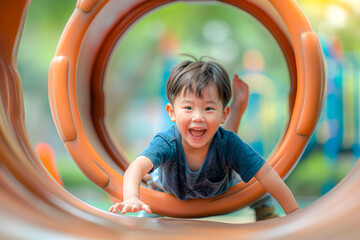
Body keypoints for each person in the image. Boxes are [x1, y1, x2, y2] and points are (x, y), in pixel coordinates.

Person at [109, 55, 300, 220]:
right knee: (149, 210)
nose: (198, 117)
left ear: (223, 114)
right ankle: (146, 214)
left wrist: (294, 212)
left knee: (257, 188)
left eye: (208, 108)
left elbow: (265, 173)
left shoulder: (228, 144)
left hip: (222, 189)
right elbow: (137, 167)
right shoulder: (167, 142)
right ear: (172, 112)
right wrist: (132, 197)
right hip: (168, 192)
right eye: (188, 108)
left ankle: (264, 211)